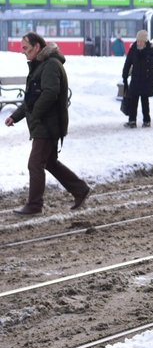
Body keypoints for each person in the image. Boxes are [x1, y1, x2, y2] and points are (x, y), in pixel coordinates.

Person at [4, 32, 90, 216]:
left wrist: (35, 114)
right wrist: (16, 116)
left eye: (25, 48)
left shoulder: (50, 65)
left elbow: (50, 93)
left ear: (37, 47)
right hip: (44, 123)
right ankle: (80, 189)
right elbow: (32, 98)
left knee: (35, 164)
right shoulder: (41, 65)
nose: (23, 52)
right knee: (49, 162)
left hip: (47, 125)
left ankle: (35, 205)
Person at [122, 29, 153, 128]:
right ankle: (132, 121)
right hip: (135, 79)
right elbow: (128, 62)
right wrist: (124, 74)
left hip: (147, 80)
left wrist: (148, 57)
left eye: (141, 41)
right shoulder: (134, 49)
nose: (138, 43)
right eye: (138, 41)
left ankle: (146, 121)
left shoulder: (151, 49)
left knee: (145, 101)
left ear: (145, 41)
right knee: (133, 101)